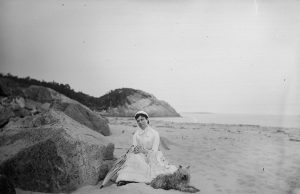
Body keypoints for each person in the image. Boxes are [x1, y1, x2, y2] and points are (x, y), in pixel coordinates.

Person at [116, 110, 177, 186]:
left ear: (147, 119)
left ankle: (138, 178)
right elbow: (134, 147)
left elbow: (154, 151)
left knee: (155, 169)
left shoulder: (155, 133)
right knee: (133, 159)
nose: (140, 122)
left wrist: (144, 151)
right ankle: (127, 179)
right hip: (140, 155)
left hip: (153, 155)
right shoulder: (136, 134)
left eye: (142, 119)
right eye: (138, 121)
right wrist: (135, 149)